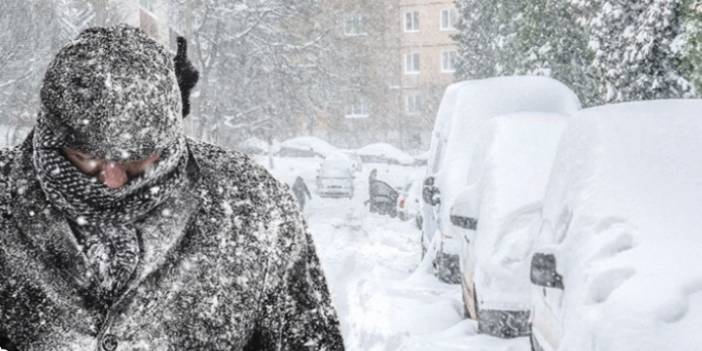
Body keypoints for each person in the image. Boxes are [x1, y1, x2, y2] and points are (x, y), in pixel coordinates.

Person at [0, 25, 344, 351]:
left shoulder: (253, 206)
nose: (113, 180)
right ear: (49, 139)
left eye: (138, 159)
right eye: (84, 157)